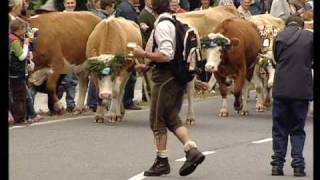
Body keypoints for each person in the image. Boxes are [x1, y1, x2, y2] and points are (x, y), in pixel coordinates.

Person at [132, 0, 205, 176]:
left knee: (157, 120)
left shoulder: (163, 26)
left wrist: (143, 55)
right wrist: (147, 66)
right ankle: (191, 150)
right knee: (170, 116)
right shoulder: (173, 22)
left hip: (166, 78)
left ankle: (162, 161)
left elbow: (166, 54)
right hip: (176, 76)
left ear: (154, 6)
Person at [270, 15, 313, 177]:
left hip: (281, 89)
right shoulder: (310, 37)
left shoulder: (279, 37)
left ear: (286, 24)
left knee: (279, 128)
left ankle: (277, 165)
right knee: (297, 129)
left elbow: (275, 59)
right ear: (302, 26)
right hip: (301, 89)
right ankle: (298, 166)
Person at [115, 0, 142, 110]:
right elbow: (129, 29)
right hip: (129, 44)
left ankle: (123, 100)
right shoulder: (127, 9)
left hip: (123, 43)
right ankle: (127, 100)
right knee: (129, 73)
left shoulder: (123, 6)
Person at [9, 17, 30, 125]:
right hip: (16, 73)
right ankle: (20, 119)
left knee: (17, 95)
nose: (25, 31)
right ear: (19, 29)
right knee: (20, 97)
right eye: (24, 29)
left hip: (13, 73)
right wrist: (26, 45)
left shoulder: (11, 38)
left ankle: (19, 117)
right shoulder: (15, 40)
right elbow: (21, 56)